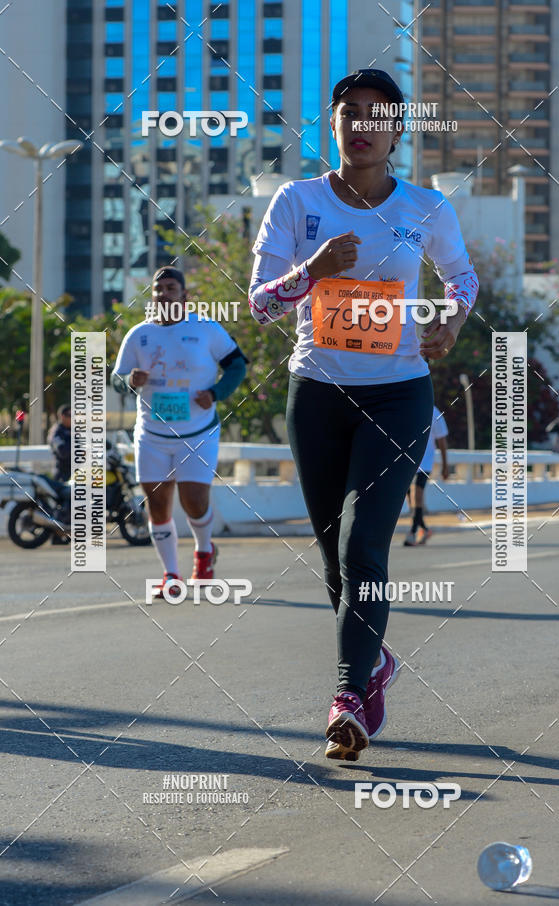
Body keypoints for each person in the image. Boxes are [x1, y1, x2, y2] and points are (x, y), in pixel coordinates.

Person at [248, 68, 478, 761]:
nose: (363, 125)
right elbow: (260, 304)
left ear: (398, 130)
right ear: (335, 123)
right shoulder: (297, 201)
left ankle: (348, 696)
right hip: (316, 396)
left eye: (378, 115)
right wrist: (311, 269)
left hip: (398, 393)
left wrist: (454, 321)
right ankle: (375, 664)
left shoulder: (426, 207)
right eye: (350, 112)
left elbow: (461, 278)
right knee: (333, 561)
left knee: (362, 547)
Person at [111, 266, 247, 595]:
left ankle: (204, 551)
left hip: (198, 433)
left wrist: (216, 393)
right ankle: (171, 575)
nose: (163, 293)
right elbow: (116, 377)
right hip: (152, 436)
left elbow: (237, 365)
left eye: (170, 288)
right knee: (157, 505)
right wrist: (129, 381)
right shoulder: (139, 334)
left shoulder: (206, 329)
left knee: (194, 502)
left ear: (184, 295)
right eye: (158, 289)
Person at [404, 404, 449, 546]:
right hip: (408, 462)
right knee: (411, 499)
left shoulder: (434, 413)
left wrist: (445, 466)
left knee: (417, 495)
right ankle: (424, 528)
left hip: (425, 461)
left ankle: (412, 533)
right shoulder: (408, 408)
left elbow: (442, 441)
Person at [47, 404, 72, 482]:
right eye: (70, 415)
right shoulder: (56, 432)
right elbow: (63, 452)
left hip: (76, 472)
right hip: (63, 475)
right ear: (62, 416)